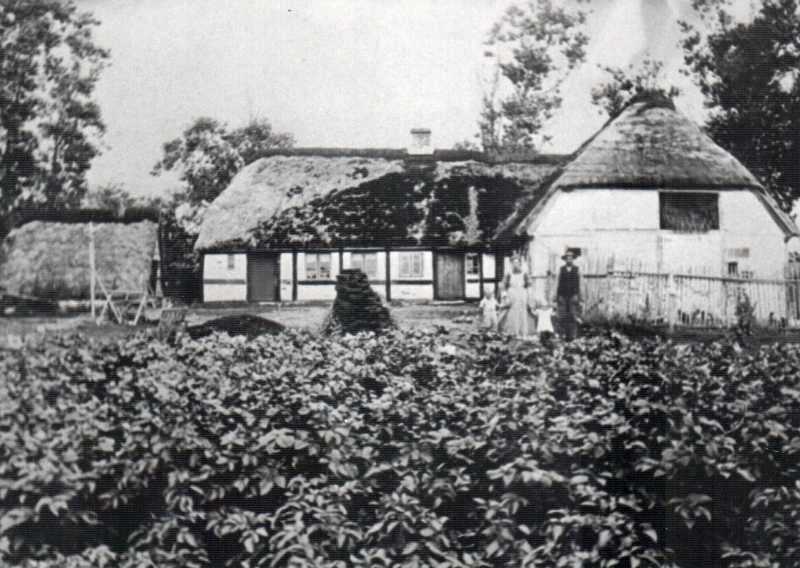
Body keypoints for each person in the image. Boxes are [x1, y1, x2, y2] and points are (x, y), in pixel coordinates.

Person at [499, 257, 533, 338]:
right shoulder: (508, 274)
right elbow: (503, 285)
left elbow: (529, 285)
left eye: (517, 263)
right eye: (513, 263)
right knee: (512, 314)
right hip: (512, 294)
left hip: (522, 294)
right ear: (511, 264)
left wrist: (529, 296)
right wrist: (504, 296)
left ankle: (523, 333)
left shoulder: (524, 273)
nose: (515, 265)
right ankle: (514, 333)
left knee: (522, 314)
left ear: (520, 264)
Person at [554, 250, 581, 341]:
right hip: (562, 295)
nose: (569, 259)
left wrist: (578, 295)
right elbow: (557, 283)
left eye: (571, 257)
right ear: (565, 259)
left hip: (573, 295)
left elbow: (579, 283)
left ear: (573, 259)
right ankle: (562, 334)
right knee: (562, 315)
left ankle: (572, 335)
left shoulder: (577, 269)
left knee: (573, 315)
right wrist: (557, 296)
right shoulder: (561, 269)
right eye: (567, 257)